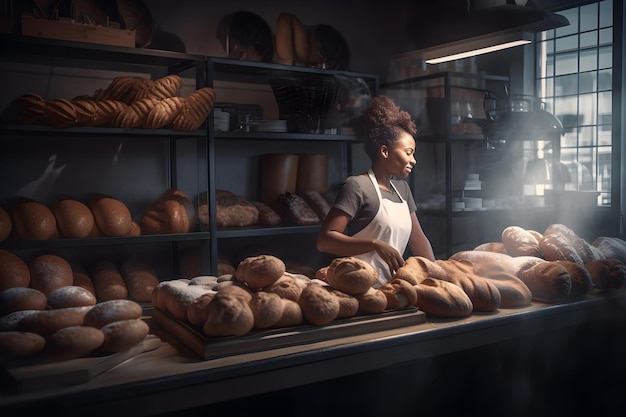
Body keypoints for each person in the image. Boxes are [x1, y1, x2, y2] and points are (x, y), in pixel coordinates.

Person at [317, 95, 435, 286]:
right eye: (408, 152)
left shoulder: (402, 190)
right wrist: (375, 245)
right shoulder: (357, 186)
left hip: (395, 288)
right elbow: (325, 240)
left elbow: (419, 240)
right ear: (385, 151)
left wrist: (437, 275)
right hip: (359, 287)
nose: (413, 160)